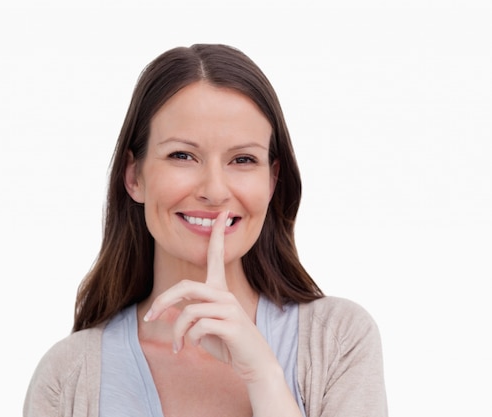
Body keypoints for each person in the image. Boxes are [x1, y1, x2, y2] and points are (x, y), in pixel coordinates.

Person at [23, 43, 388, 417]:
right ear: (134, 176)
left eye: (243, 159)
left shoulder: (338, 339)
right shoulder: (70, 376)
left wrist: (264, 376)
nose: (214, 191)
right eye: (182, 155)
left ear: (272, 180)